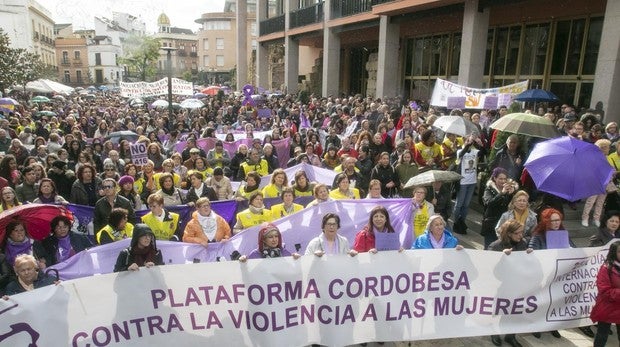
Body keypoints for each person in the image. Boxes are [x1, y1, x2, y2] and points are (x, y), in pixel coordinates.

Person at [487, 219, 533, 347]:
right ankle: (494, 333)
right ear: (508, 234)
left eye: (521, 232)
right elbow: (489, 270)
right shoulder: (495, 246)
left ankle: (510, 336)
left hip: (516, 285)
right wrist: (501, 258)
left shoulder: (523, 244)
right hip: (499, 287)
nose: (521, 235)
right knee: (497, 311)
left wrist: (529, 256)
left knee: (514, 312)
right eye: (517, 233)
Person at [589, 240, 620, 347]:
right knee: (602, 335)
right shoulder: (606, 268)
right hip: (607, 308)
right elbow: (604, 290)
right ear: (613, 253)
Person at [481, 168, 517, 249]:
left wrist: (511, 194)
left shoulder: (508, 190)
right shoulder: (489, 189)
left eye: (505, 179)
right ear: (494, 178)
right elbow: (489, 203)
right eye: (500, 178)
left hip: (503, 224)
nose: (503, 181)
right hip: (490, 224)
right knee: (489, 248)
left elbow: (509, 206)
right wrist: (502, 193)